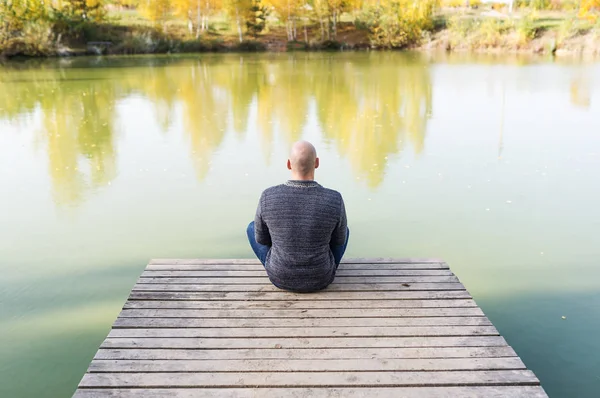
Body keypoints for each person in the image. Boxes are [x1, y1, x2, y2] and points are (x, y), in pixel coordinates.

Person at [246, 141, 349, 292]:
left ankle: (281, 264)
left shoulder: (268, 196)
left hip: (280, 277)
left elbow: (262, 240)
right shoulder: (334, 199)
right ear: (317, 163)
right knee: (344, 230)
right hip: (321, 278)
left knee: (252, 228)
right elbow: (339, 241)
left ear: (288, 164)